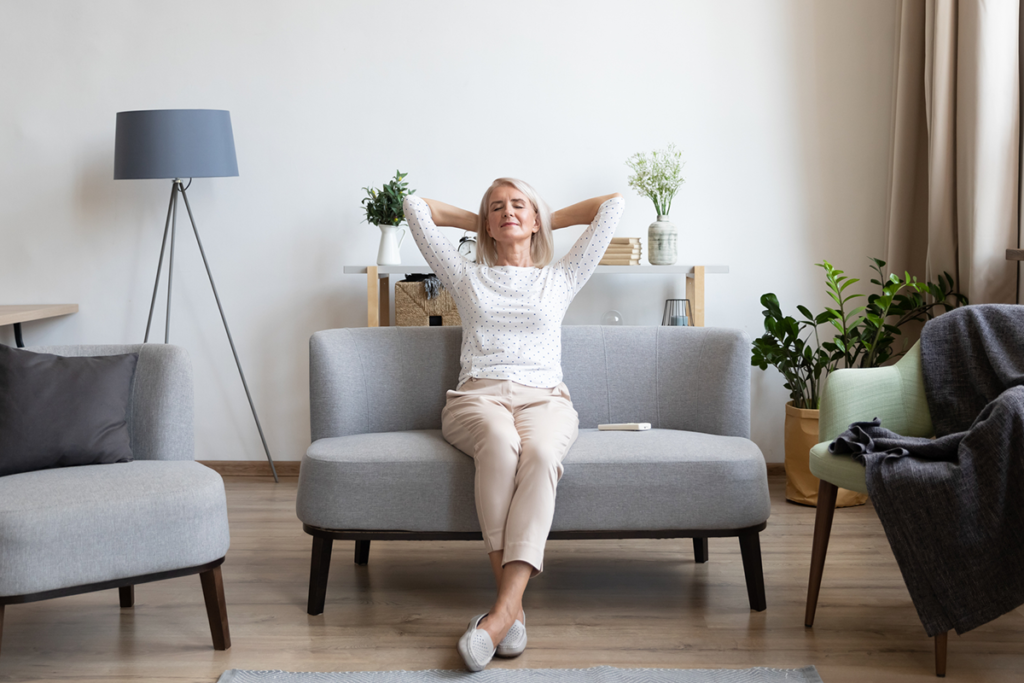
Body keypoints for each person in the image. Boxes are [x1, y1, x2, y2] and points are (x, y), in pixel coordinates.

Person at [402, 178, 624, 671]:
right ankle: (512, 610)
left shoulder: (560, 277)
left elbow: (612, 206)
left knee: (542, 455)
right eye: (497, 208)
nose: (508, 212)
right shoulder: (466, 275)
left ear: (535, 217)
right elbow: (414, 207)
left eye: (518, 205)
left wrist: (544, 215)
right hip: (478, 398)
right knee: (501, 446)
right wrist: (477, 220)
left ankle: (501, 614)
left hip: (546, 400)